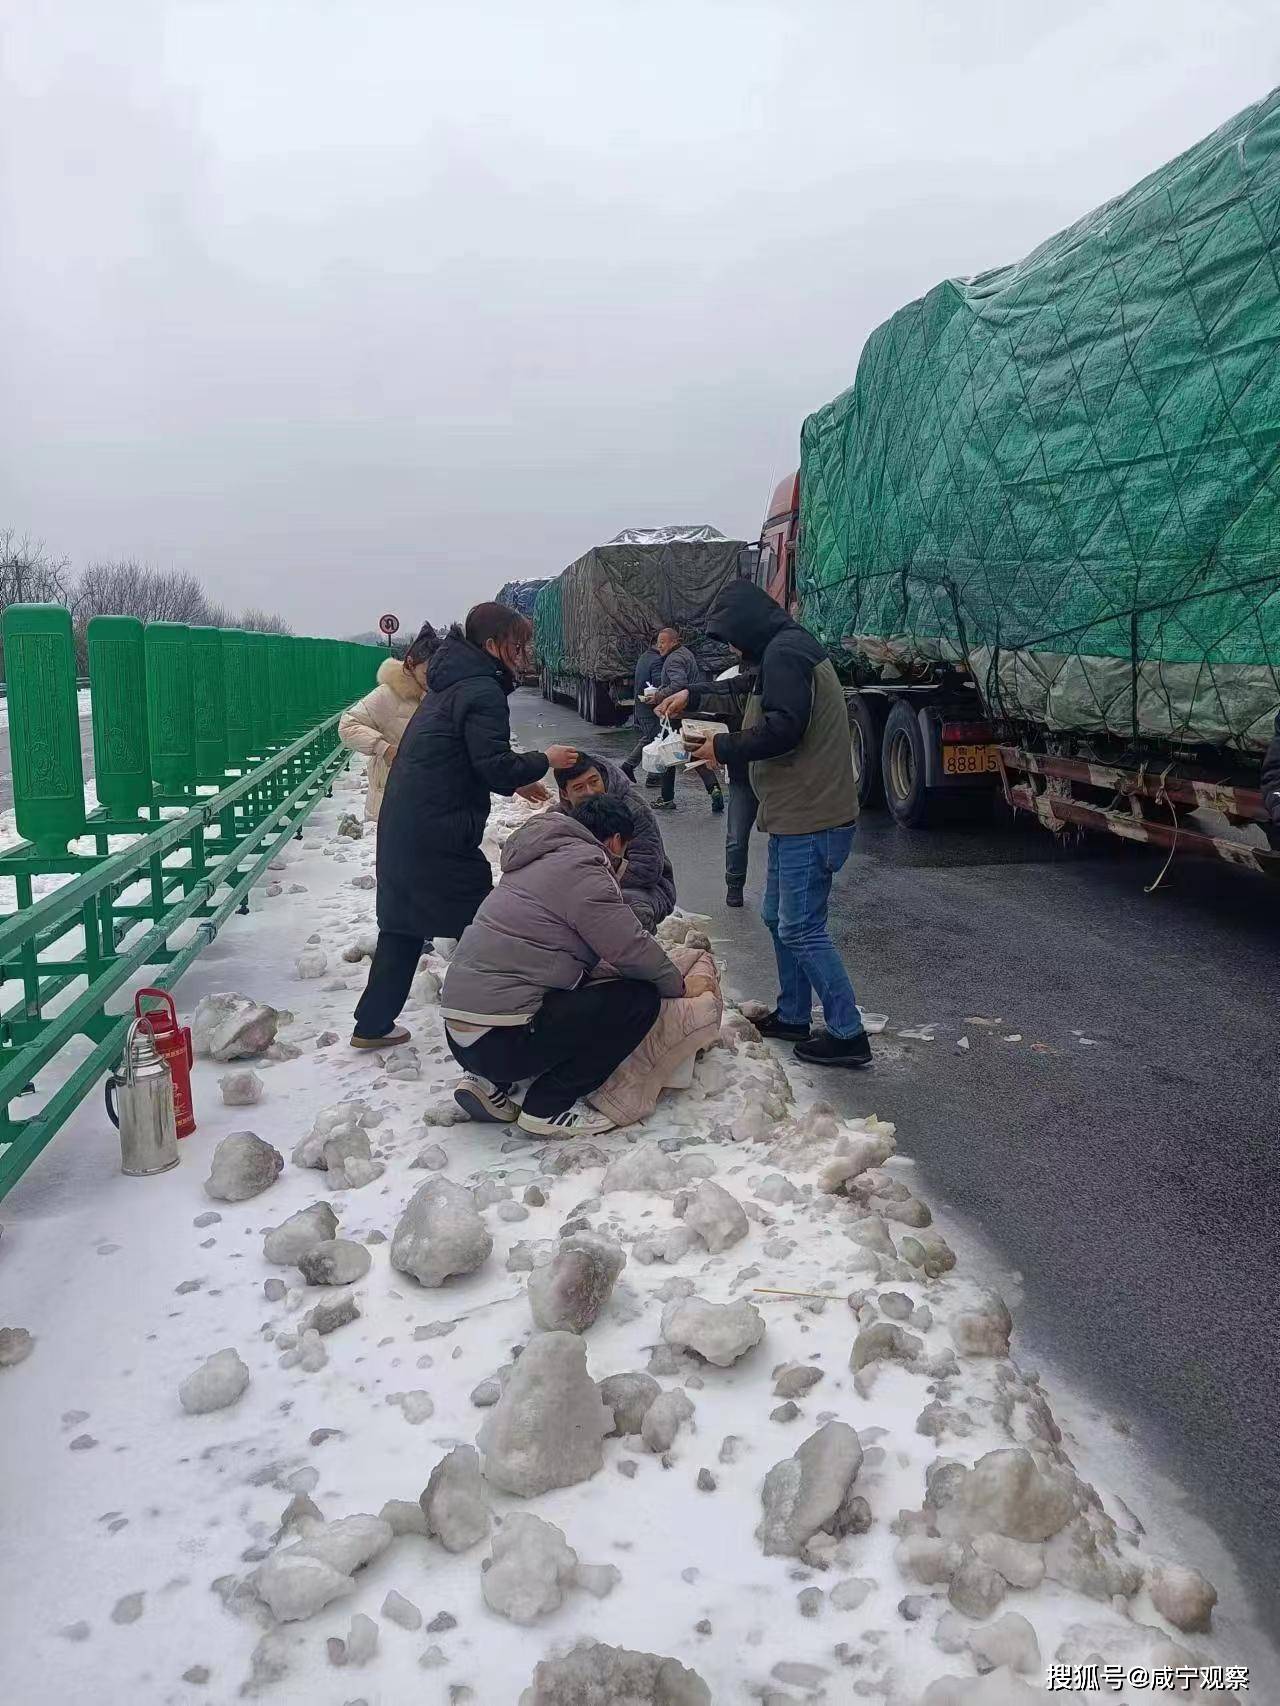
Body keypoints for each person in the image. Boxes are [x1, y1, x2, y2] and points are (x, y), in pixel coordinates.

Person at [657, 578, 870, 1069]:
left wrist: (721, 748)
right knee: (779, 918)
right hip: (794, 815)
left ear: (749, 626)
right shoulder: (782, 650)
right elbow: (745, 690)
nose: (733, 648)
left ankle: (848, 1032)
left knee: (801, 927)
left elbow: (783, 728)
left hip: (811, 817)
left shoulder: (786, 654)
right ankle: (794, 1015)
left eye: (733, 636)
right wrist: (693, 693)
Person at [352, 602, 578, 1050]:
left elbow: (461, 757)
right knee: (488, 922)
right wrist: (543, 760)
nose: (523, 653)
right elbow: (492, 765)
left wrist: (517, 783)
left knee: (403, 924)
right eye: (518, 644)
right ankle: (509, 1011)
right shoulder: (480, 689)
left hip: (408, 823)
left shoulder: (451, 683)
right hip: (439, 831)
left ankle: (373, 1024)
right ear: (492, 645)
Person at [441, 794, 685, 1136]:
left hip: (460, 1034)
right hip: (500, 1042)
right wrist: (679, 988)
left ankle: (488, 1082)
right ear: (615, 840)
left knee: (563, 982)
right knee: (638, 999)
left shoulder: (536, 859)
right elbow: (630, 948)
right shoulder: (585, 869)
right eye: (624, 852)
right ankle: (548, 1105)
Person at [553, 753, 676, 931]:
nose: (590, 792)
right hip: (582, 886)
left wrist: (597, 885)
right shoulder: (558, 818)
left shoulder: (635, 809)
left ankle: (636, 954)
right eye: (579, 787)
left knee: (628, 913)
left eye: (594, 782)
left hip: (642, 887)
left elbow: (647, 869)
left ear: (603, 778)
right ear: (565, 794)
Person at [337, 622, 440, 822]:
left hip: (428, 797)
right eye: (427, 673)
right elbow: (347, 726)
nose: (432, 678)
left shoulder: (436, 695)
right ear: (410, 663)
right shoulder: (388, 695)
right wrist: (384, 748)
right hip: (393, 798)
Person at [652, 627, 723, 814]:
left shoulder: (673, 659)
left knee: (668, 753)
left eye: (663, 641)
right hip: (690, 712)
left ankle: (667, 798)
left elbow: (679, 684)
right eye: (658, 642)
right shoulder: (686, 654)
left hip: (676, 713)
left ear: (674, 642)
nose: (659, 645)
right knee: (695, 753)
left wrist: (659, 695)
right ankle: (714, 788)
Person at [621, 640, 664, 787]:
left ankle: (628, 766)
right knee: (659, 739)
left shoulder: (644, 657)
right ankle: (653, 776)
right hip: (651, 709)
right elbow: (659, 685)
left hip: (642, 708)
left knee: (651, 738)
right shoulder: (657, 661)